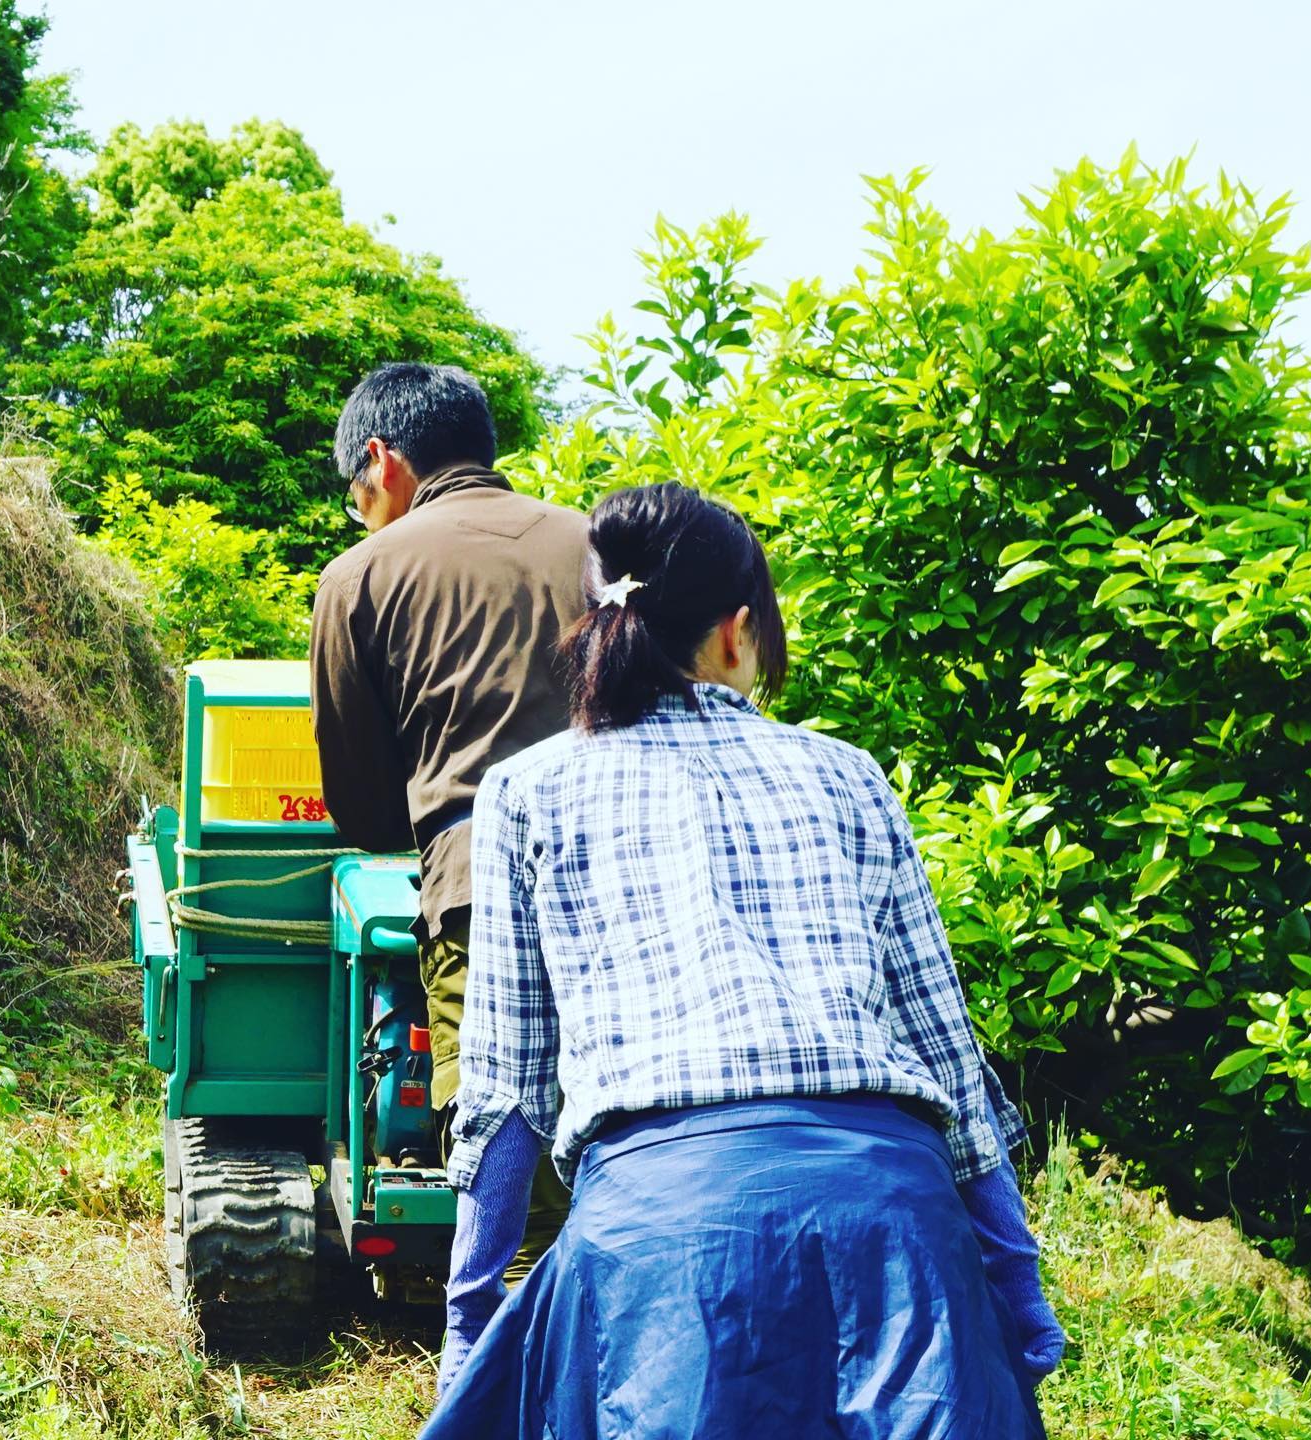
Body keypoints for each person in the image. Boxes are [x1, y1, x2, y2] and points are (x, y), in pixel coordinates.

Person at [424, 482, 1063, 1438]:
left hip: (663, 1244)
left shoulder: (525, 791)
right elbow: (949, 1065)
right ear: (735, 632)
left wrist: (470, 1328)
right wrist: (1017, 1287)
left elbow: (505, 1099)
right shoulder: (848, 774)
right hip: (890, 1230)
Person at [309, 361, 588, 1278]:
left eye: (357, 495)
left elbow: (362, 807)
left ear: (381, 462)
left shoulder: (361, 576)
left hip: (480, 895)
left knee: (510, 1169)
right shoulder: (597, 549)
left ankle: (524, 1390)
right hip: (636, 887)